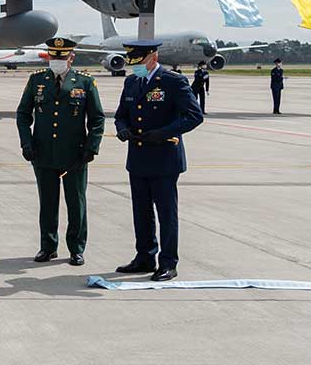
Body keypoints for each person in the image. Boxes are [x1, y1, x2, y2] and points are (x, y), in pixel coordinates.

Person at [113, 40, 204, 282]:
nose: (135, 67)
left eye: (139, 62)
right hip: (138, 158)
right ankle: (144, 257)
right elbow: (121, 114)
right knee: (141, 212)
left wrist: (163, 133)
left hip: (164, 157)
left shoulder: (172, 81)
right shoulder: (132, 81)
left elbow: (194, 116)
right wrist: (122, 129)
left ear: (153, 56)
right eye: (132, 63)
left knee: (166, 213)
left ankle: (168, 262)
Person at [16, 38, 104, 266]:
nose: (57, 61)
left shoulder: (85, 82)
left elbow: (97, 119)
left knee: (76, 203)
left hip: (75, 155)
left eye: (62, 57)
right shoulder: (37, 81)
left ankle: (76, 248)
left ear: (71, 57)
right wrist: (26, 143)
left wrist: (91, 147)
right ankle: (48, 246)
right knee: (47, 203)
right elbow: (23, 114)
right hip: (43, 153)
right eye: (54, 57)